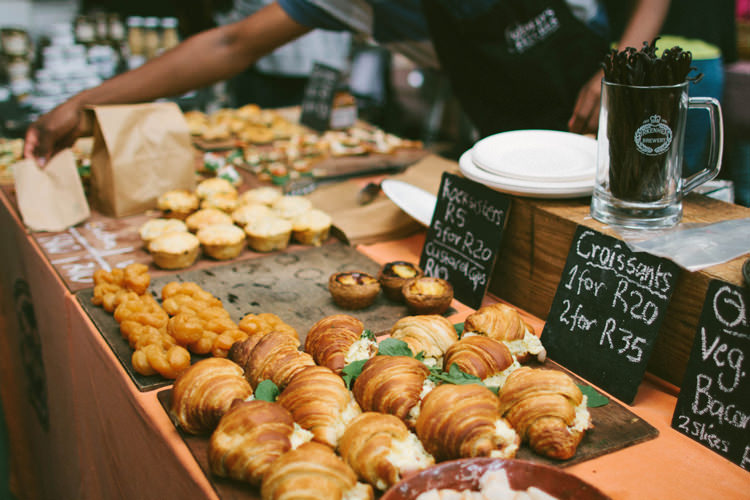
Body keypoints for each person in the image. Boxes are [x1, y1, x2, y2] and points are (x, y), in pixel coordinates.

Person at [24, 0, 669, 165]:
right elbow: (231, 41)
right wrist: (85, 102)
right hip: (511, 147)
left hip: (629, 110)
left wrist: (627, 63)